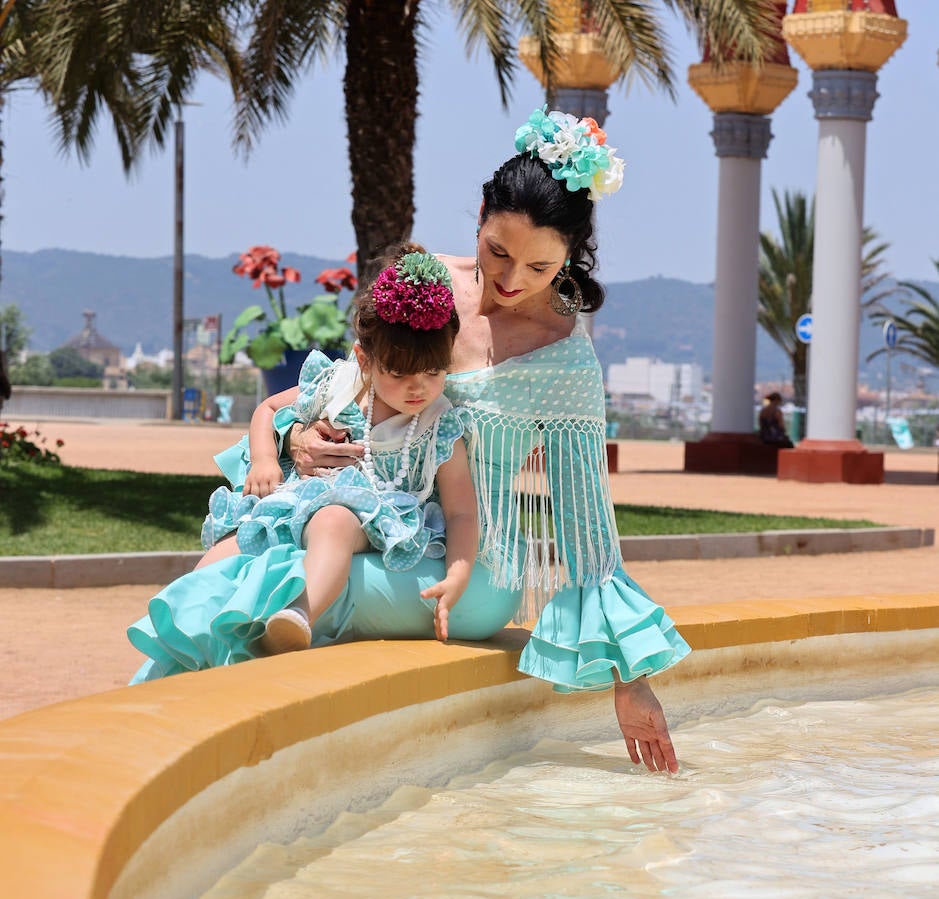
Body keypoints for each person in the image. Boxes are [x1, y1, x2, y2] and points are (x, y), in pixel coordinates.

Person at [130, 109, 690, 774]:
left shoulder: (562, 359)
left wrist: (630, 679)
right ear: (479, 216)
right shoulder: (426, 285)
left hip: (468, 565)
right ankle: (151, 748)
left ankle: (171, 748)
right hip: (359, 511)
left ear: (570, 256)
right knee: (232, 552)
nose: (510, 281)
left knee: (265, 575)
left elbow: (584, 527)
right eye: (497, 252)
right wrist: (302, 435)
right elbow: (352, 383)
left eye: (539, 267)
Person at [196, 246, 477, 651]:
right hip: (294, 500)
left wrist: (459, 572)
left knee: (333, 522)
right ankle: (183, 601)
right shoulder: (338, 384)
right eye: (398, 372)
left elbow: (461, 510)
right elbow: (267, 407)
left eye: (433, 371)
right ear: (365, 360)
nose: (418, 387)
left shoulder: (439, 424)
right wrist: (263, 458)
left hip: (370, 514)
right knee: (240, 540)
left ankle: (298, 615)